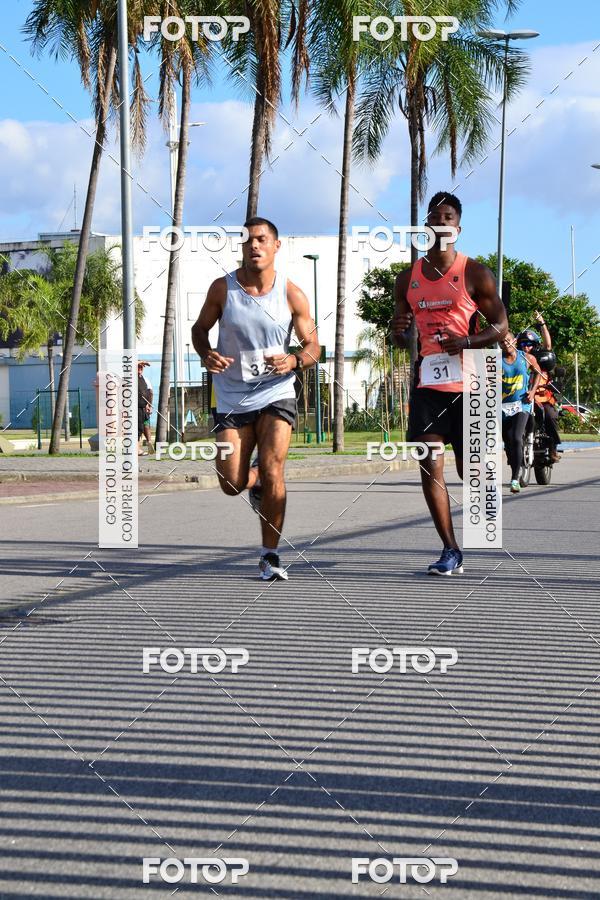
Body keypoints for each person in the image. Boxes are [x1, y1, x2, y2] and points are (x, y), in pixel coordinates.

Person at [191, 217, 320, 581]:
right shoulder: (223, 289)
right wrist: (206, 352)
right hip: (232, 396)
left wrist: (294, 359)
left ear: (276, 246)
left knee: (274, 468)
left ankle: (270, 555)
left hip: (275, 392)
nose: (254, 246)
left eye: (262, 240)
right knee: (231, 483)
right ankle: (256, 481)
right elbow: (199, 329)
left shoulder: (291, 293)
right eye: (248, 240)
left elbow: (314, 347)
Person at [391, 191, 508, 575]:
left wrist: (468, 342)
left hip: (471, 383)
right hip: (427, 382)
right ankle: (450, 549)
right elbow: (397, 333)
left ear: (457, 228)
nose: (440, 223)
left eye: (447, 217)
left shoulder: (475, 273)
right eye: (434, 217)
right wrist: (398, 329)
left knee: (470, 472)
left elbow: (500, 326)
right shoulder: (407, 279)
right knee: (430, 464)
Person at [500, 331, 542, 492]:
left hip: (521, 405)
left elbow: (537, 373)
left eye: (508, 341)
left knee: (517, 438)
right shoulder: (494, 360)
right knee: (508, 442)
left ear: (515, 341)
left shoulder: (526, 358)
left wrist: (532, 391)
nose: (506, 344)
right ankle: (514, 469)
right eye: (502, 342)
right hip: (502, 406)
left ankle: (515, 479)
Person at [138, 361, 154, 454]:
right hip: (136, 408)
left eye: (141, 368)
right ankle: (138, 448)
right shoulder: (131, 377)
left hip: (145, 406)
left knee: (146, 424)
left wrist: (149, 405)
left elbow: (150, 392)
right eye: (138, 367)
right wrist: (141, 362)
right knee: (138, 427)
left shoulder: (145, 379)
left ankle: (149, 443)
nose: (139, 369)